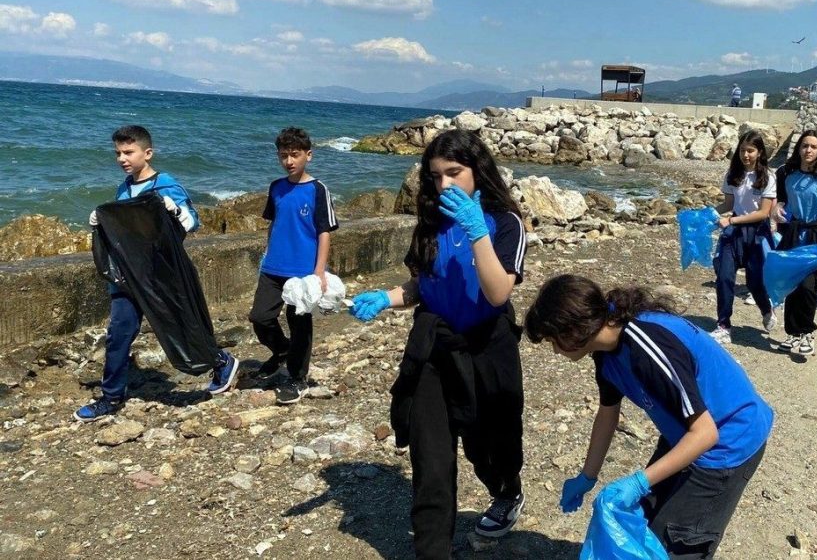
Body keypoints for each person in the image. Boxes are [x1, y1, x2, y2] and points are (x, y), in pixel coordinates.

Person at [349, 129, 527, 557]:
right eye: (435, 176)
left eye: (454, 172)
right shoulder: (430, 224)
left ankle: (506, 492)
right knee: (430, 459)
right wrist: (387, 298)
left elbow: (498, 293)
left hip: (487, 345)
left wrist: (475, 229)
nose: (444, 184)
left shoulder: (505, 223)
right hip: (434, 346)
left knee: (490, 447)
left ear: (477, 171)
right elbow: (421, 284)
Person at [524, 275, 772, 560]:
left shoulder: (647, 347)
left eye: (553, 340)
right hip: (684, 432)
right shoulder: (605, 351)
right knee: (645, 523)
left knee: (679, 541)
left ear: (574, 329)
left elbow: (706, 433)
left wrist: (639, 482)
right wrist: (587, 476)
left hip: (728, 442)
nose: (555, 351)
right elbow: (608, 413)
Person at [75, 125, 240, 422]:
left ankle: (220, 361)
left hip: (160, 276)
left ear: (147, 153)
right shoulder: (124, 189)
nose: (122, 159)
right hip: (128, 276)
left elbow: (192, 222)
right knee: (118, 333)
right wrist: (101, 223)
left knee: (181, 325)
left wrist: (174, 211)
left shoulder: (166, 185)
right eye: (118, 153)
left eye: (128, 152)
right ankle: (111, 397)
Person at [248, 127, 339, 405]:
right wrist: (266, 254)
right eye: (283, 155)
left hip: (303, 271)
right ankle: (282, 350)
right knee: (260, 317)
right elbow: (274, 223)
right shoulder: (276, 187)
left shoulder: (318, 190)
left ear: (308, 155)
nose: (289, 161)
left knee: (299, 323)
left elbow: (324, 232)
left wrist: (319, 271)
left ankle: (298, 378)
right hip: (273, 267)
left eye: (295, 155)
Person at [772, 129, 817, 357]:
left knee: (809, 285)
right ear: (798, 148)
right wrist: (776, 211)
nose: (808, 150)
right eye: (804, 145)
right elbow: (779, 201)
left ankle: (807, 332)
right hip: (794, 234)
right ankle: (793, 333)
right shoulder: (785, 172)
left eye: (813, 146)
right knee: (793, 283)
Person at [711, 130, 777, 339]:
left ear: (759, 152)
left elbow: (763, 212)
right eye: (742, 151)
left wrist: (731, 220)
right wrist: (707, 214)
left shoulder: (768, 177)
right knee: (724, 277)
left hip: (757, 233)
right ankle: (723, 325)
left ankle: (766, 309)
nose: (745, 155)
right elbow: (729, 204)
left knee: (754, 281)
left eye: (750, 151)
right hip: (734, 233)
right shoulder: (733, 175)